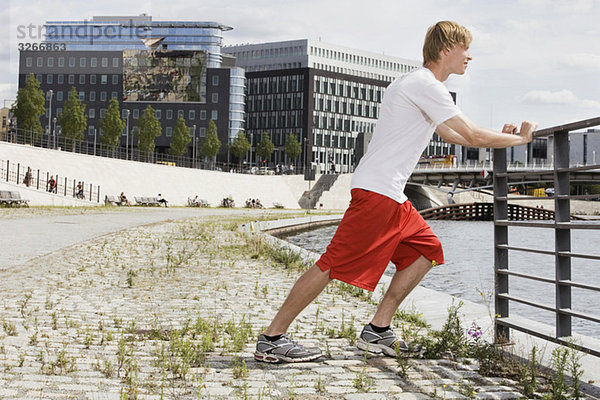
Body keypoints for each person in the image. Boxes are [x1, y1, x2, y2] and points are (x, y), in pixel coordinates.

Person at [254, 20, 538, 364]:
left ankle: (378, 330)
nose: (470, 57)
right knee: (332, 264)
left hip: (390, 193)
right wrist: (520, 139)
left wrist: (502, 136)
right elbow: (473, 136)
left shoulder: (419, 86)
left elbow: (455, 136)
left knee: (426, 251)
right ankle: (272, 338)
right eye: (466, 48)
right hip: (378, 192)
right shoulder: (424, 84)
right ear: (447, 49)